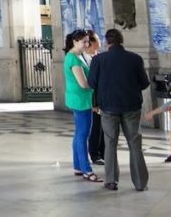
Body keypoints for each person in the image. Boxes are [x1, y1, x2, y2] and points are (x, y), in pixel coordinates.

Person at [88, 28, 150, 192]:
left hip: (108, 107)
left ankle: (111, 180)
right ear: (121, 41)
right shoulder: (135, 59)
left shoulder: (98, 60)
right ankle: (140, 183)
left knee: (110, 142)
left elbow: (91, 83)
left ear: (107, 42)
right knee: (135, 143)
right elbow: (144, 83)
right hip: (131, 106)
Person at [64, 29, 100, 182]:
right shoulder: (73, 58)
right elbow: (83, 83)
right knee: (83, 134)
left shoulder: (78, 55)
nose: (87, 44)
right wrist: (97, 85)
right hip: (81, 100)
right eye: (83, 41)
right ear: (75, 41)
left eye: (87, 41)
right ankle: (86, 169)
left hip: (80, 99)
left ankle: (78, 166)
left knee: (80, 133)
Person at [82, 30, 105, 166]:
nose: (100, 42)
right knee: (95, 127)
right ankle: (95, 154)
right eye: (97, 39)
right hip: (91, 97)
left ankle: (103, 152)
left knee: (103, 126)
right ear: (91, 43)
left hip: (103, 97)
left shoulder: (100, 57)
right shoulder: (84, 59)